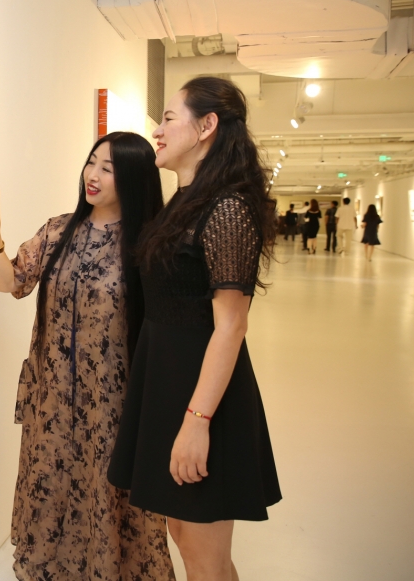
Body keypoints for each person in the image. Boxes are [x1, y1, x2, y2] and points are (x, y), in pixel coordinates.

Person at [0, 132, 174, 580]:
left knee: (109, 499)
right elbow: (12, 282)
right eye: (91, 162)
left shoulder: (149, 244)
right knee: (53, 493)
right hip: (52, 405)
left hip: (112, 407)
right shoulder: (58, 230)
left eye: (108, 168)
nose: (92, 175)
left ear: (134, 178)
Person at [108, 77, 281, 581]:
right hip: (167, 385)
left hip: (204, 396)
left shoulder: (227, 208)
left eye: (167, 118)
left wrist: (197, 421)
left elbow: (231, 325)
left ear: (206, 126)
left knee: (204, 557)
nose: (157, 131)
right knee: (187, 539)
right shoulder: (183, 203)